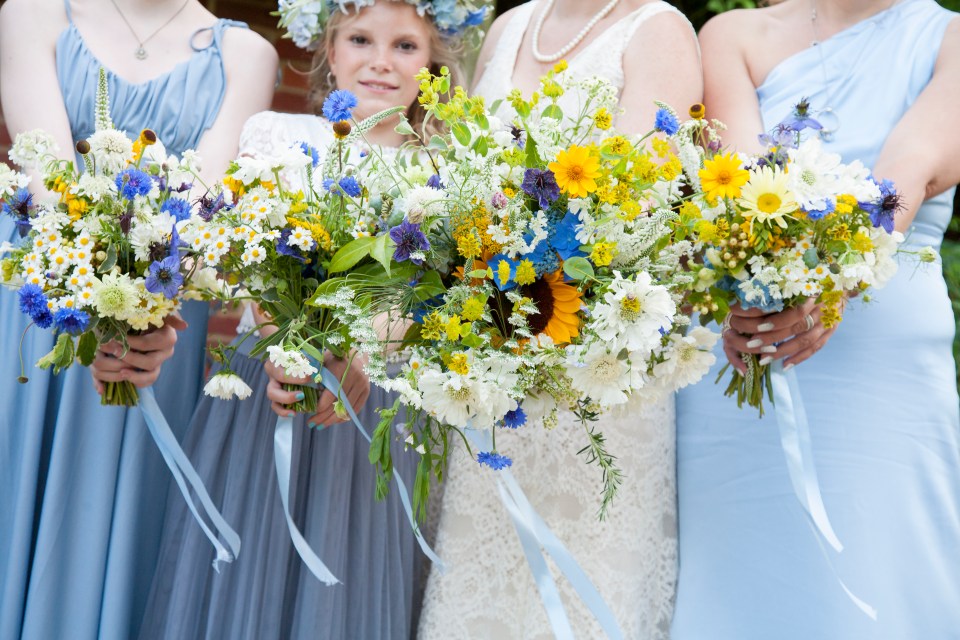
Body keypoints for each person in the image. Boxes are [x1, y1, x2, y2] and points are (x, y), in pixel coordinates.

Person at [139, 2, 469, 638]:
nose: (380, 60)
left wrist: (356, 363)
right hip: (272, 384)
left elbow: (428, 299)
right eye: (361, 39)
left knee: (346, 581)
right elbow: (257, 258)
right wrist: (300, 348)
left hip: (375, 399)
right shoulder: (280, 138)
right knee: (247, 565)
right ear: (330, 51)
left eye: (405, 46)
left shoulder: (447, 175)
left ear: (432, 64)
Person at [672, 0, 960, 638]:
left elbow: (907, 169)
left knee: (882, 579)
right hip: (740, 358)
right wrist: (751, 281)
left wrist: (833, 286)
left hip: (880, 379)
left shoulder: (950, 37)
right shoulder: (732, 34)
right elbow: (740, 190)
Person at [416, 1, 702, 638]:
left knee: (582, 584)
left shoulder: (657, 28)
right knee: (475, 579)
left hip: (591, 372)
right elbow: (451, 170)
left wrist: (514, 250)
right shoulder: (509, 26)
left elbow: (635, 198)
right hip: (484, 362)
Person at [0, 0, 276, 638]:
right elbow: (49, 181)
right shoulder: (33, 14)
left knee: (114, 521)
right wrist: (103, 305)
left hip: (158, 320)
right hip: (41, 302)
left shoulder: (247, 56)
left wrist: (139, 321)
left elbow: (197, 211)